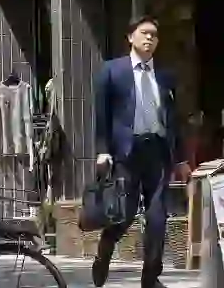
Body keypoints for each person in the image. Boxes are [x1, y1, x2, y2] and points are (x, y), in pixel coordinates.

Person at [93, 15, 189, 288]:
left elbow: (174, 120)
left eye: (154, 35)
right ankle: (104, 251)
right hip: (127, 153)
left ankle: (150, 278)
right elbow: (101, 116)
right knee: (123, 216)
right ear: (130, 37)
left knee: (158, 218)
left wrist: (180, 159)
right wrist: (103, 151)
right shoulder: (112, 71)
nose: (149, 39)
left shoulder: (165, 76)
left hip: (158, 153)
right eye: (144, 33)